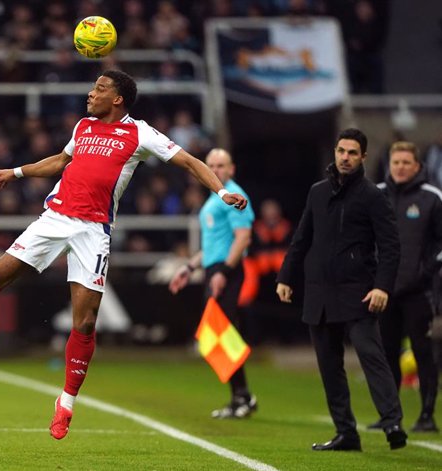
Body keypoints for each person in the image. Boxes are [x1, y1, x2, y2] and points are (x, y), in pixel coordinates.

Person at [0, 70, 248, 440]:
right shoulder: (83, 126)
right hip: (54, 218)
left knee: (85, 322)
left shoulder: (141, 133)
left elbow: (191, 162)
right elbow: (59, 161)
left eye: (100, 89)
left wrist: (221, 192)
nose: (90, 93)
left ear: (117, 99)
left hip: (93, 231)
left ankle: (66, 403)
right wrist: (17, 172)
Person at [276, 128, 407, 451]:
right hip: (319, 292)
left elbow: (390, 247)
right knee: (329, 367)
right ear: (334, 152)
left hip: (358, 291)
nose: (345, 157)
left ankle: (392, 422)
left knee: (371, 356)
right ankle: (346, 433)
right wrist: (285, 277)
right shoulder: (317, 192)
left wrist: (382, 288)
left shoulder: (373, 196)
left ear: (363, 157)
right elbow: (301, 238)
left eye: (352, 153)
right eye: (341, 151)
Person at [168, 148, 257, 418]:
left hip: (225, 270)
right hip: (214, 267)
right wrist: (190, 266)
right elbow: (213, 244)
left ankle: (242, 396)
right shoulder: (215, 199)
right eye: (211, 166)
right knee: (219, 334)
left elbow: (243, 238)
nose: (216, 170)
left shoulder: (234, 196)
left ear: (232, 169)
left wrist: (224, 272)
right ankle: (240, 396)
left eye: (221, 165)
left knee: (222, 333)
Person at [373, 141, 442, 432]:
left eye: (405, 162)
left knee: (423, 353)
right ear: (389, 164)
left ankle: (427, 415)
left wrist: (426, 272)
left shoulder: (432, 197)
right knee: (386, 354)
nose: (400, 167)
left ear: (417, 166)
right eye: (395, 162)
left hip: (418, 292)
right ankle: (391, 415)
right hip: (384, 291)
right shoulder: (375, 195)